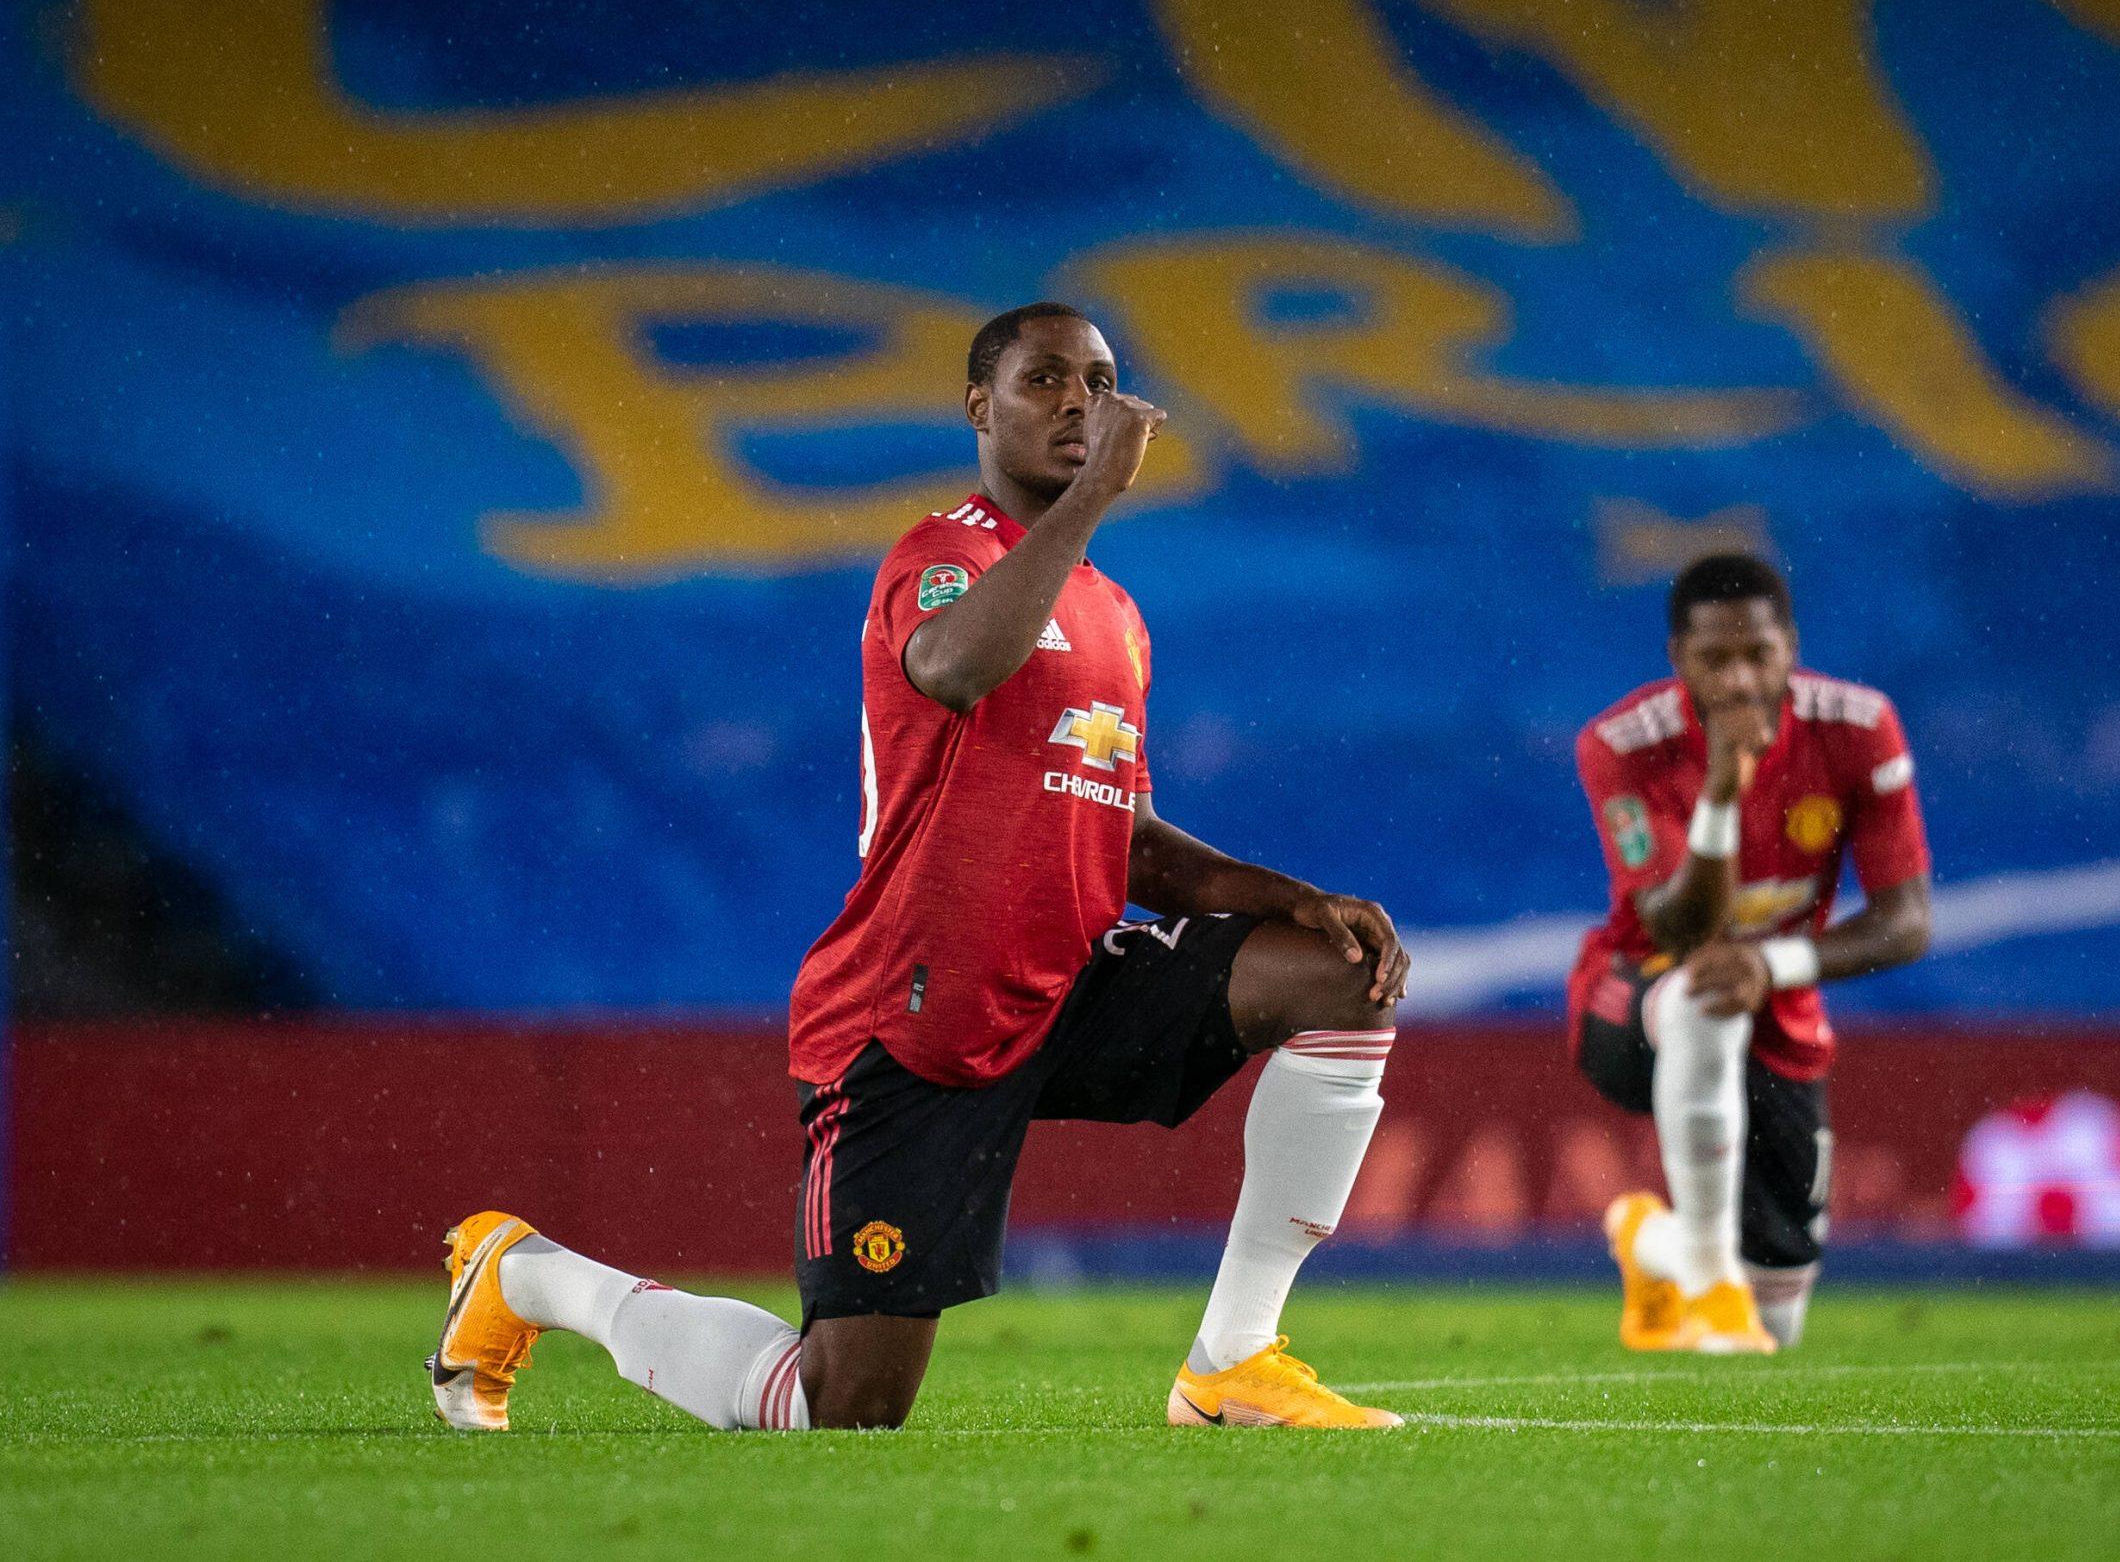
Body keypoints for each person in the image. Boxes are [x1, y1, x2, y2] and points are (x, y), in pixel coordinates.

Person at [429, 303, 1410, 1432]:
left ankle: (1231, 1362)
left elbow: (1127, 836)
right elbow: (951, 670)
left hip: (1068, 982)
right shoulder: (939, 557)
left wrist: (1295, 897)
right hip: (912, 1014)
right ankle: (529, 1276)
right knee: (843, 1406)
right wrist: (1092, 500)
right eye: (1044, 380)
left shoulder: (1116, 617)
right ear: (977, 407)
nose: (1078, 404)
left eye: (1097, 381)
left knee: (1341, 975)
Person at [1568, 553, 1931, 1353]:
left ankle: (1657, 1245)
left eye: (1757, 654)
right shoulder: (1620, 744)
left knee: (1780, 1323)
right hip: (1636, 996)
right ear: (1678, 660)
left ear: (1790, 646)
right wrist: (1721, 795)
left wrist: (1776, 966)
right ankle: (1711, 1282)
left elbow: (1907, 922)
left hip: (1778, 999)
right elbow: (1679, 930)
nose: (1738, 680)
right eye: (1715, 659)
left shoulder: (1858, 728)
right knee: (1706, 991)